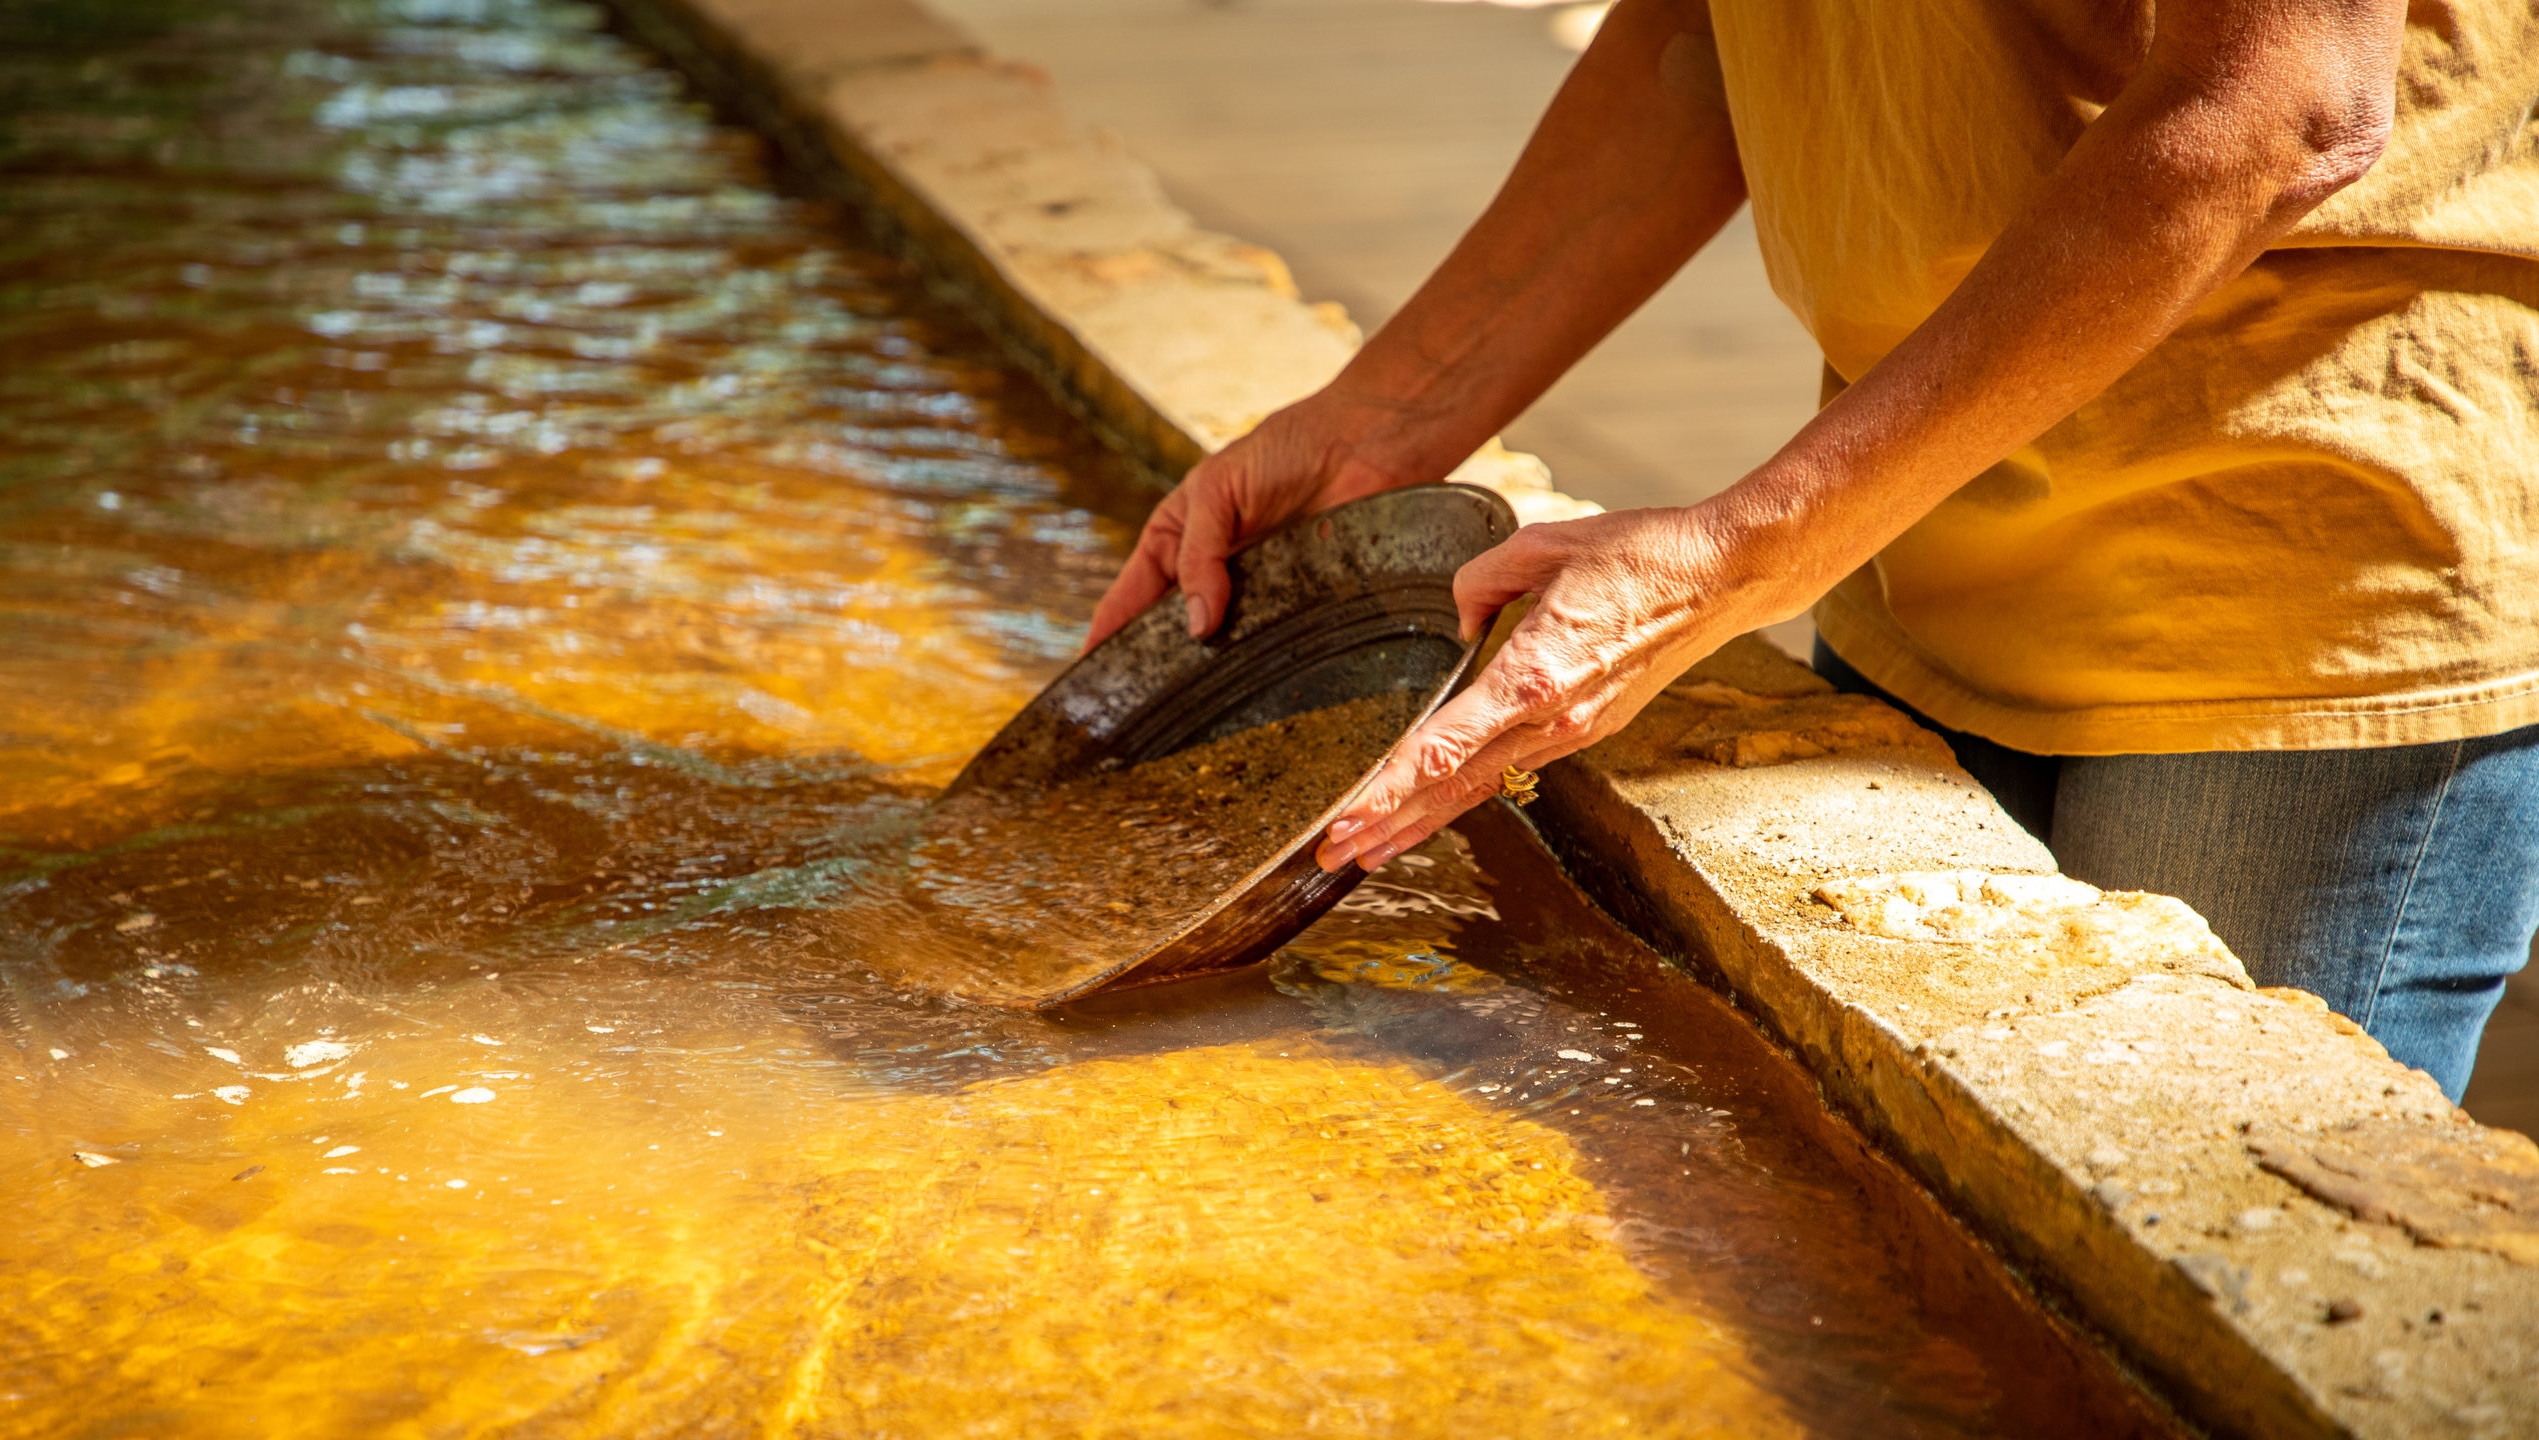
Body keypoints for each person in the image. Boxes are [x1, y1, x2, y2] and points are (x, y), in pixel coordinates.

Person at [1084, 0, 2539, 1101]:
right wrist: (1382, 423)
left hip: (2298, 573)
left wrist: (1735, 553)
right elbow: (1712, 41)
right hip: (1928, 499)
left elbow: (2281, 107)